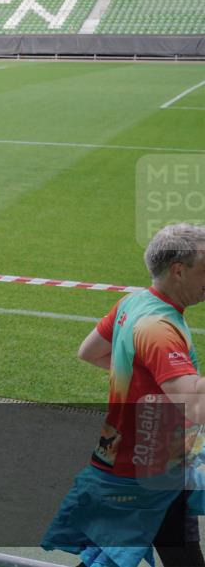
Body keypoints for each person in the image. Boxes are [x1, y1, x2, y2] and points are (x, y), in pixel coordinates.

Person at [43, 223, 205, 567]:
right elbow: (196, 405)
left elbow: (90, 351)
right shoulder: (160, 330)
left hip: (130, 460)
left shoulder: (133, 303)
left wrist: (144, 380)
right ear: (179, 270)